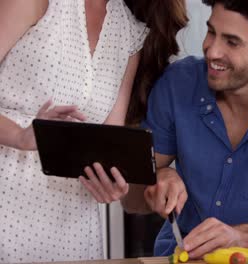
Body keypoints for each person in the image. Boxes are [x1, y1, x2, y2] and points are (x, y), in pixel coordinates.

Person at [84, 0, 248, 259]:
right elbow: (132, 201)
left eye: (232, 42)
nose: (212, 51)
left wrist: (241, 236)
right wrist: (159, 179)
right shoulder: (177, 84)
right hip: (181, 255)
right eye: (211, 31)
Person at [0, 0, 187, 262]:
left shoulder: (129, 32)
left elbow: (109, 144)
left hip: (72, 226)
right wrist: (19, 135)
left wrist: (112, 182)